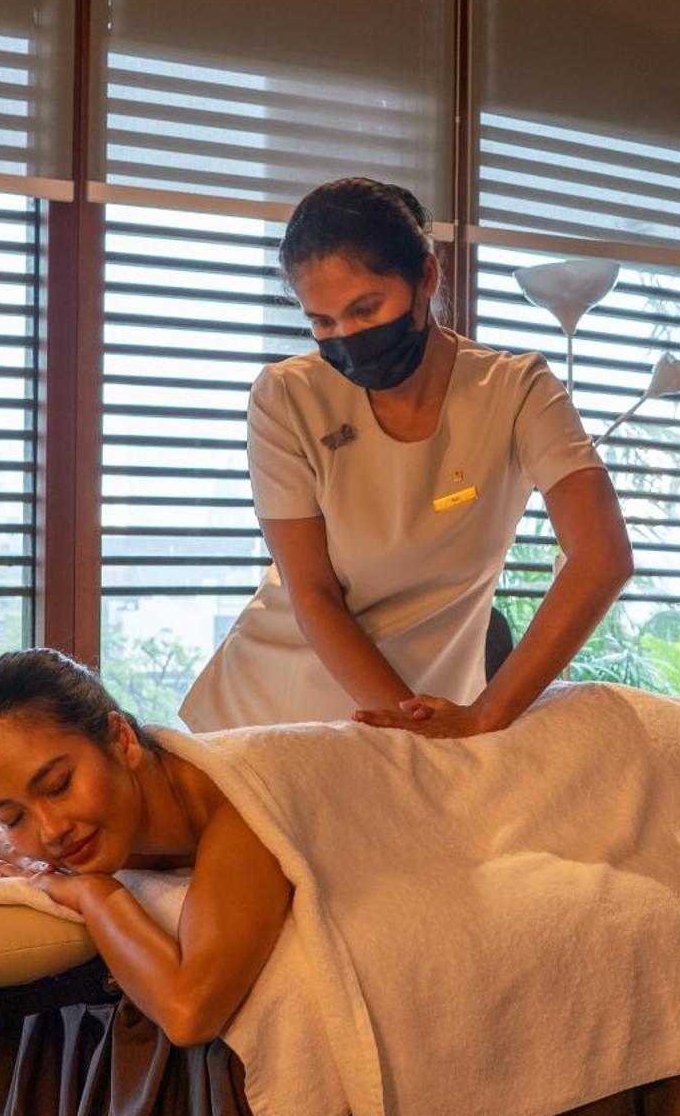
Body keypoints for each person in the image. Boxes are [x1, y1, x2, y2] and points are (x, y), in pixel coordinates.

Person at [178, 176, 633, 739]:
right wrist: (412, 727)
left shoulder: (518, 391)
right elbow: (313, 595)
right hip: (272, 713)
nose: (346, 337)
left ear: (426, 276)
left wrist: (486, 714)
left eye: (366, 309)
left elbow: (602, 557)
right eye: (322, 322)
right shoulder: (285, 398)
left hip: (430, 715)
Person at [0, 648, 288, 1045]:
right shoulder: (100, 826)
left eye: (59, 786)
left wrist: (94, 893)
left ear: (121, 739)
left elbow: (189, 1012)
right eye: (13, 817)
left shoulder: (237, 804)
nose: (52, 831)